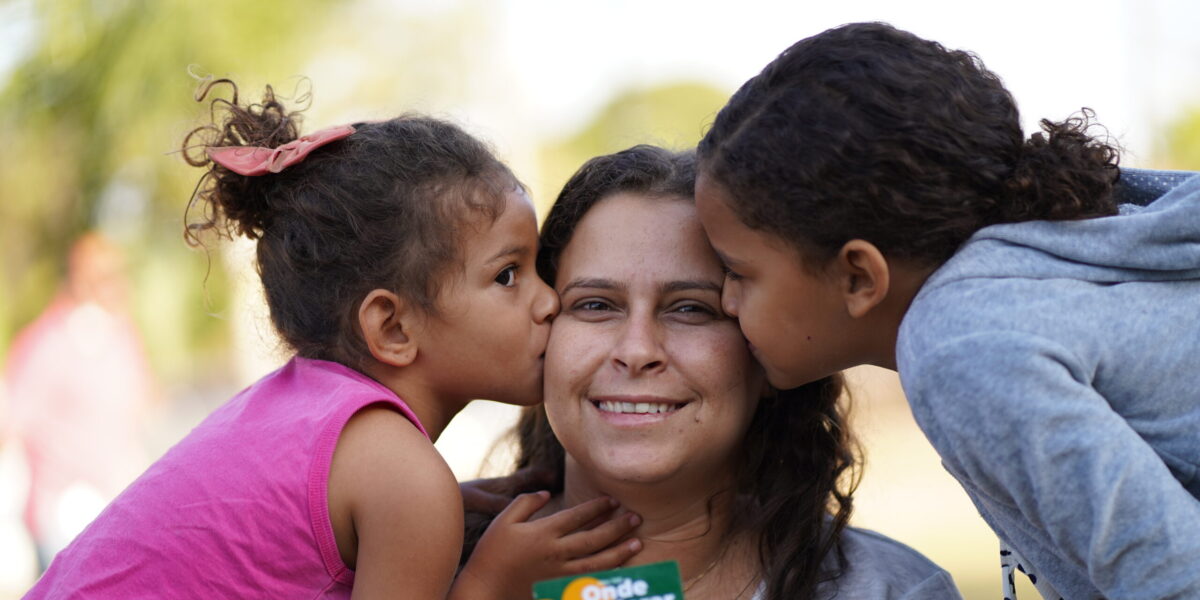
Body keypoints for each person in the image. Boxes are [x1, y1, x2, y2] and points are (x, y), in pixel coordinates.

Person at [25, 80, 640, 599]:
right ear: (393, 327)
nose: (549, 299)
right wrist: (491, 580)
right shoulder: (402, 480)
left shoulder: (302, 412)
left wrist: (442, 509)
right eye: (508, 274)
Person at [694, 22, 1200, 600]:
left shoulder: (962, 344)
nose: (725, 300)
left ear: (858, 275)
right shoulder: (1035, 280)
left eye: (738, 271)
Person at [462, 145, 963, 600]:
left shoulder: (892, 590)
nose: (637, 351)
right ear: (541, 328)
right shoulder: (422, 562)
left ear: (765, 351)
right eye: (595, 304)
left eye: (691, 310)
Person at [4, 233, 155, 572]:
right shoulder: (45, 343)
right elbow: (12, 424)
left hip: (117, 511)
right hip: (64, 517)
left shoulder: (122, 338)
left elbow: (140, 406)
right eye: (106, 277)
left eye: (119, 274)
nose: (119, 286)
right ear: (81, 280)